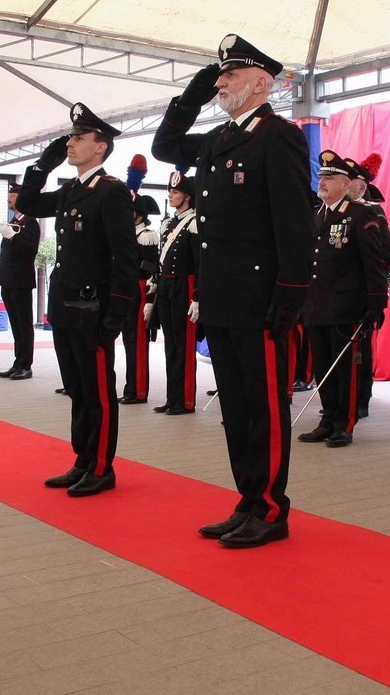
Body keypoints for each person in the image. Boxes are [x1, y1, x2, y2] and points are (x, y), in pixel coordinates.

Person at [152, 33, 313, 548]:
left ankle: (270, 509)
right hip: (221, 297)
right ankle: (247, 501)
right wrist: (192, 96)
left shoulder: (278, 136)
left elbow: (293, 222)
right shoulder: (220, 139)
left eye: (230, 76)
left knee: (264, 407)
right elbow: (165, 147)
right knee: (237, 408)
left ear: (261, 84)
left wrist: (289, 295)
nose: (221, 82)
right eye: (218, 76)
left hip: (261, 297)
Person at [16, 103, 138, 497]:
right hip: (67, 306)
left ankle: (102, 467)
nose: (70, 143)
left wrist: (116, 313)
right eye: (70, 137)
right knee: (77, 388)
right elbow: (28, 204)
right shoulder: (71, 188)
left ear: (99, 147)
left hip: (95, 308)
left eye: (78, 138)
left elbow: (125, 258)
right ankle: (83, 460)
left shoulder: (112, 193)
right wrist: (43, 163)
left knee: (98, 390)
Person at [297, 151, 388, 448]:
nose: (322, 182)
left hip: (346, 307)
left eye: (330, 177)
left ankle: (344, 424)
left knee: (345, 369)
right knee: (323, 366)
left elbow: (374, 262)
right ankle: (327, 418)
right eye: (321, 176)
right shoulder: (316, 215)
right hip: (316, 304)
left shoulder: (361, 215)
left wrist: (376, 304)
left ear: (346, 183)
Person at [346, 153, 390, 420]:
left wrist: (373, 289)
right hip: (338, 294)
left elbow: (386, 252)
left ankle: (361, 398)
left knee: (361, 352)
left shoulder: (372, 212)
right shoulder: (336, 213)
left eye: (349, 179)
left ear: (361, 186)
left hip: (363, 292)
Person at [150, 171, 200, 415]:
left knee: (184, 345)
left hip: (185, 286)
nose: (171, 196)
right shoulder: (168, 223)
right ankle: (172, 397)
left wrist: (198, 296)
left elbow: (200, 264)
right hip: (167, 286)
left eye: (176, 192)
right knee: (170, 343)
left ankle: (186, 400)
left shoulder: (194, 222)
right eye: (170, 191)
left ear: (187, 196)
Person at [0, 185, 41, 380]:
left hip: (21, 280)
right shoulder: (14, 221)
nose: (9, 200)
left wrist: (13, 236)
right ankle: (17, 361)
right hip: (8, 279)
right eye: (9, 197)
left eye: (13, 197)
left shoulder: (30, 223)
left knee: (24, 324)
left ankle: (26, 364)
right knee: (15, 324)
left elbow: (31, 250)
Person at [122, 188, 160, 404]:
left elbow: (150, 267)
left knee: (137, 341)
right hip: (127, 288)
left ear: (139, 215)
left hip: (140, 289)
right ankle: (130, 387)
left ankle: (138, 390)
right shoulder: (129, 233)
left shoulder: (147, 235)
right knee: (128, 339)